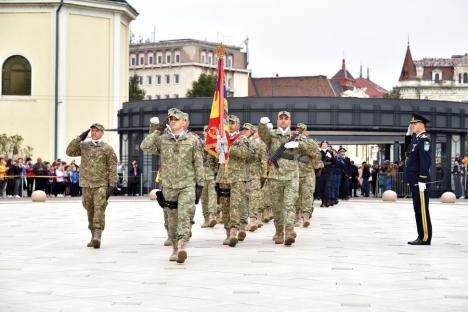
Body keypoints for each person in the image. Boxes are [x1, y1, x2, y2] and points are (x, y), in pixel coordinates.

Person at [140, 108, 204, 263]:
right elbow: (145, 146)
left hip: (187, 185)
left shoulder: (193, 140)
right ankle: (175, 248)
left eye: (176, 119)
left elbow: (199, 163)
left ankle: (182, 246)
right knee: (172, 218)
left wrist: (200, 185)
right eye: (170, 119)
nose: (172, 121)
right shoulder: (163, 139)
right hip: (168, 185)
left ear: (184, 122)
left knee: (184, 215)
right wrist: (157, 131)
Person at [258, 111, 316, 245]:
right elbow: (262, 135)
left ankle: (289, 231)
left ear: (290, 121)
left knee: (290, 204)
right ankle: (279, 231)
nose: (283, 120)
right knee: (277, 206)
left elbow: (312, 148)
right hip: (275, 176)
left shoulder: (296, 136)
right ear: (278, 121)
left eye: (286, 118)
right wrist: (262, 125)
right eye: (281, 118)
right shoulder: (272, 134)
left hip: (291, 176)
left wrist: (299, 145)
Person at [66, 123, 118, 249]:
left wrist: (112, 185)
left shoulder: (107, 148)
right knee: (89, 209)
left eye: (97, 131)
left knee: (99, 208)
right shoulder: (84, 146)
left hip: (101, 184)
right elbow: (69, 152)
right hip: (86, 183)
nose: (94, 133)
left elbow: (112, 167)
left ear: (102, 133)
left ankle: (97, 236)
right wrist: (79, 138)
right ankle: (92, 235)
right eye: (92, 131)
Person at [404, 114, 432, 245]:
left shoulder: (424, 140)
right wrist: (408, 136)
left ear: (421, 124)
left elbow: (425, 162)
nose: (412, 126)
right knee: (417, 209)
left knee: (422, 209)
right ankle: (420, 235)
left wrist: (422, 179)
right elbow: (407, 151)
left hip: (419, 181)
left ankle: (425, 237)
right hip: (414, 180)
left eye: (414, 124)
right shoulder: (416, 140)